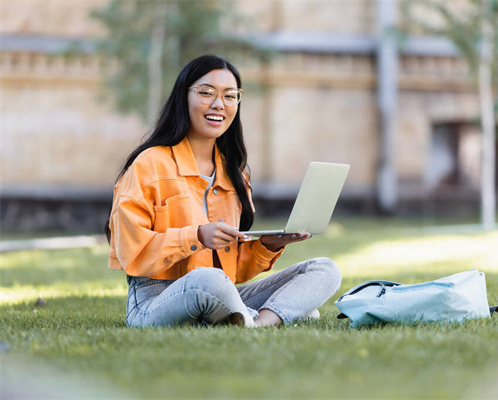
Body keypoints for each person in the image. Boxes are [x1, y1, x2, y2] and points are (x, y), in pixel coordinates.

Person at [105, 55, 342, 328]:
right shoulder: (149, 164)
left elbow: (237, 270)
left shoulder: (234, 174)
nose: (219, 104)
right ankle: (274, 313)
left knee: (324, 269)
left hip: (221, 291)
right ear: (184, 97)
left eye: (230, 96)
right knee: (208, 280)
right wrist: (196, 236)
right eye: (206, 93)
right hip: (157, 299)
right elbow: (130, 252)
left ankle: (258, 322)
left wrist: (269, 245)